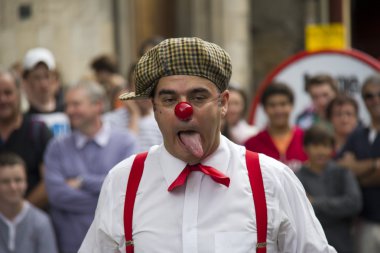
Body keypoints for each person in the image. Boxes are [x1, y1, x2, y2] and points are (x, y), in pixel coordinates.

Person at [79, 37, 336, 253]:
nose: (184, 110)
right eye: (169, 99)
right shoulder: (123, 182)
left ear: (223, 103)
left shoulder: (273, 180)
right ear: (154, 107)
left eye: (198, 97)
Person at [44, 80, 138, 253]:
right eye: (67, 105)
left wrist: (82, 181)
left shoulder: (126, 142)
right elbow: (56, 195)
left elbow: (126, 193)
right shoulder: (56, 147)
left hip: (114, 246)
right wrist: (106, 196)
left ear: (98, 105)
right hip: (70, 245)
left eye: (76, 104)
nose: (68, 111)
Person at [296, 126, 362, 253]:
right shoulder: (297, 178)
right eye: (315, 145)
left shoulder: (343, 172)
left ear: (333, 149)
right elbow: (301, 214)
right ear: (305, 148)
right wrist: (337, 208)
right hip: (311, 247)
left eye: (325, 146)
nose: (321, 151)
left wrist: (315, 203)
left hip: (342, 244)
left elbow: (354, 203)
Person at [337, 74, 380, 253]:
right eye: (369, 96)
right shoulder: (358, 134)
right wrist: (374, 165)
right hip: (365, 224)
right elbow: (341, 168)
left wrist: (356, 171)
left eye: (379, 94)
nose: (375, 99)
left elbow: (350, 171)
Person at [0, 69, 52, 209]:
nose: (2, 99)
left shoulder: (38, 131)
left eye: (8, 93)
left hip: (32, 223)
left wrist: (19, 211)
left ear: (19, 93)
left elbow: (49, 182)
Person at [0, 152, 58, 253]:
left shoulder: (41, 222)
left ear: (26, 183)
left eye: (18, 180)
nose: (13, 187)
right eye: (5, 181)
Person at [245, 82, 308, 172]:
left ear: (291, 106)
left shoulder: (306, 139)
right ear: (264, 108)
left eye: (283, 104)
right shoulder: (252, 145)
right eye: (272, 105)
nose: (278, 110)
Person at [103, 62, 163, 152]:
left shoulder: (162, 120)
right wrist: (134, 114)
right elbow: (122, 154)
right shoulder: (110, 121)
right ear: (129, 88)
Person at [22, 47, 70, 136]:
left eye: (47, 76)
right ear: (26, 82)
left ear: (56, 79)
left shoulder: (70, 112)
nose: (43, 84)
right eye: (37, 77)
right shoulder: (23, 121)